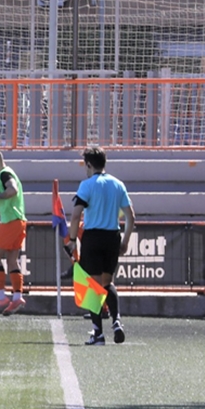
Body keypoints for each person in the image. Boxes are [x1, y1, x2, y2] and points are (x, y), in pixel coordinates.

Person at [71, 144, 135, 346]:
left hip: (93, 236)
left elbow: (75, 215)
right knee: (108, 282)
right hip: (112, 236)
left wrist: (72, 240)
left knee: (94, 286)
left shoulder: (87, 184)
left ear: (89, 164)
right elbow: (131, 217)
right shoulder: (118, 184)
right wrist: (124, 241)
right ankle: (116, 321)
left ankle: (98, 333)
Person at [0, 149, 28, 315]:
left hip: (10, 222)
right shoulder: (8, 173)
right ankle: (17, 297)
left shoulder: (4, 173)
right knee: (12, 261)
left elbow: (13, 190)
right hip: (19, 221)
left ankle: (1, 296)